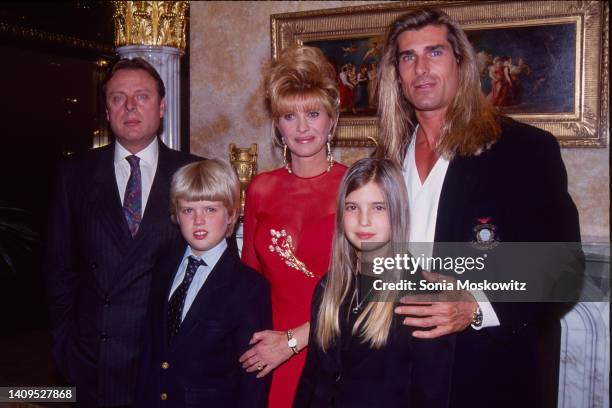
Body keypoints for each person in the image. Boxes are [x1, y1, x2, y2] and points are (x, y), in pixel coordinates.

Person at [375, 8, 582, 408]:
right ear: (396, 75)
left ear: (461, 63)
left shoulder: (524, 151)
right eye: (408, 57)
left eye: (434, 52)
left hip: (486, 374)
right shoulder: (385, 158)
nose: (421, 69)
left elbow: (563, 269)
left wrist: (475, 306)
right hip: (396, 375)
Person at [45, 57, 199, 407]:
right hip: (93, 361)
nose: (130, 106)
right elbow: (59, 268)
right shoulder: (75, 174)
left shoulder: (193, 172)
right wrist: (63, 347)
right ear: (107, 109)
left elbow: (216, 272)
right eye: (118, 97)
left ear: (161, 107)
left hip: (164, 358)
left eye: (142, 96)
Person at [239, 45, 348, 408]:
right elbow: (248, 283)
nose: (302, 128)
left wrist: (292, 341)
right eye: (289, 116)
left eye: (313, 113)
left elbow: (367, 293)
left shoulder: (357, 187)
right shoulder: (260, 188)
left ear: (331, 119)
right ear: (277, 125)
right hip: (269, 356)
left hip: (335, 350)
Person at [294, 157, 447, 408]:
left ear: (397, 212)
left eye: (378, 207)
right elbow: (312, 380)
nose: (363, 220)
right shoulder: (328, 288)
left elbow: (431, 393)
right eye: (353, 207)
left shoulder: (421, 295)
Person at [136, 159, 271, 408]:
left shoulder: (249, 287)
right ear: (176, 215)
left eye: (210, 210)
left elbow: (253, 379)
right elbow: (150, 352)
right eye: (188, 210)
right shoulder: (163, 267)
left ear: (231, 214)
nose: (198, 221)